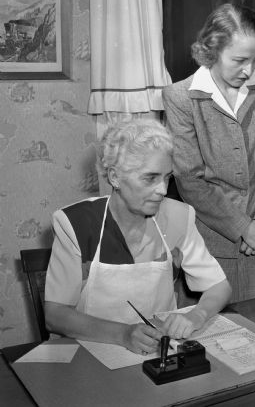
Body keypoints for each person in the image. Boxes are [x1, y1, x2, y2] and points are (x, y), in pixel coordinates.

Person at [44, 119, 232, 356]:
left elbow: (218, 286)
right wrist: (123, 334)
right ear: (114, 177)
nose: (163, 190)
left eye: (167, 177)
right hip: (92, 351)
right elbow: (56, 315)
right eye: (150, 178)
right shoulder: (75, 223)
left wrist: (196, 316)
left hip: (159, 352)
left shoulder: (178, 216)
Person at [162, 3, 255, 302]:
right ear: (212, 50)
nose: (249, 70)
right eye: (239, 60)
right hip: (210, 244)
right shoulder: (180, 97)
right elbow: (189, 179)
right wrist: (243, 227)